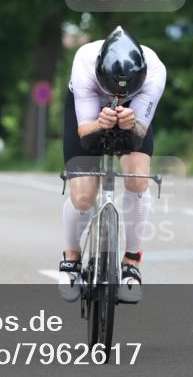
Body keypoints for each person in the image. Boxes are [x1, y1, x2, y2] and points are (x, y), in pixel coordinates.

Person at [58, 27, 166, 304]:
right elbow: (84, 133)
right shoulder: (84, 63)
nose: (116, 95)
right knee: (83, 196)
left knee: (138, 179)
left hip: (134, 109)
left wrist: (131, 123)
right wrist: (99, 123)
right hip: (90, 111)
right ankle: (72, 258)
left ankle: (132, 262)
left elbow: (139, 133)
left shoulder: (155, 72)